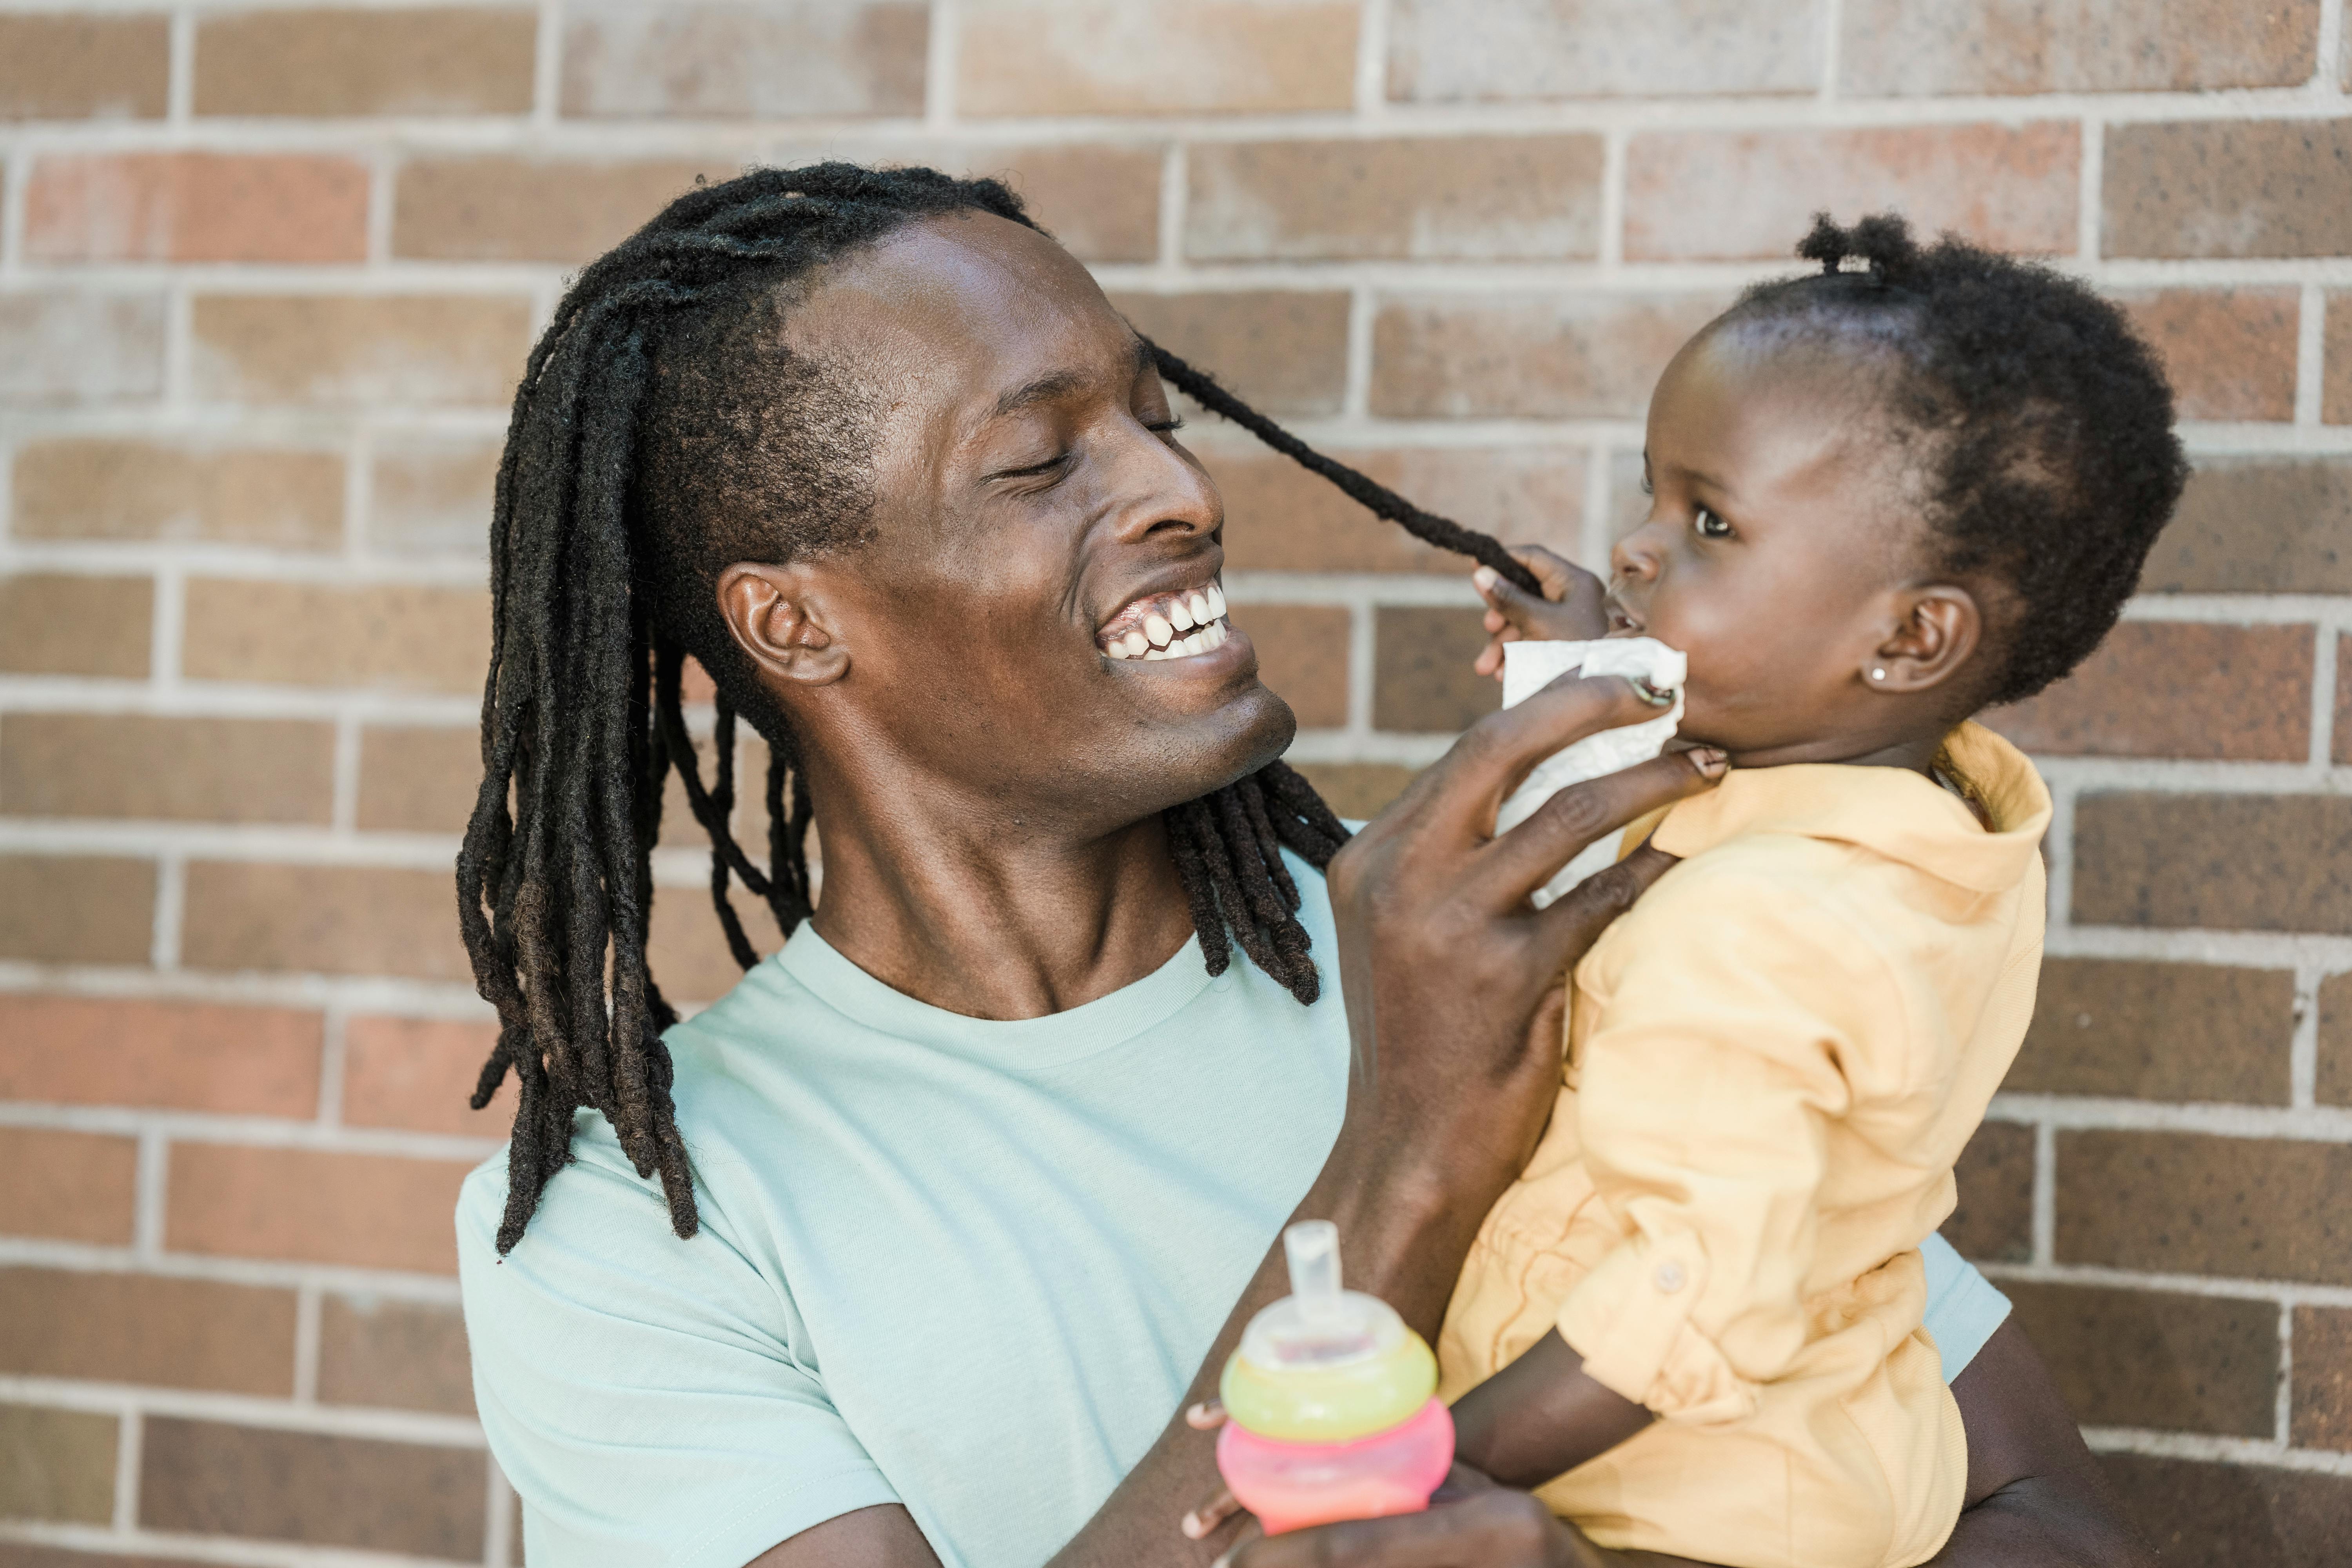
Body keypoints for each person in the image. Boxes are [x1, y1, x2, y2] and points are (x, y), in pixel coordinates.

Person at [450, 165, 2151, 1568]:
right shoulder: (646, 1219)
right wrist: (1405, 1151)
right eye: (1044, 461)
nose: (1182, 488)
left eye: (1158, 419)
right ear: (794, 621)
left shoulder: (1531, 927)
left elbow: (2045, 1518)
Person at [1323, 214, 2185, 1568]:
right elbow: (1712, 786)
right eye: (1655, 496)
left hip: (1697, 1507)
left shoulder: (1766, 925)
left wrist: (1429, 1462)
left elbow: (1693, 1294)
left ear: (1909, 637)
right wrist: (1594, 664)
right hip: (1841, 1451)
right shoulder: (1919, 828)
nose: (1640, 547)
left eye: (1711, 521)